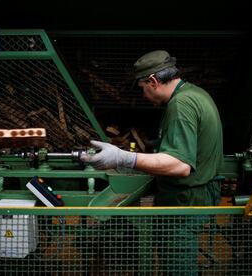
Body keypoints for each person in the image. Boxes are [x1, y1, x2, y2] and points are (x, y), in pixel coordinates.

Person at [81, 50, 223, 274]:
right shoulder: (195, 93)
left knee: (178, 267)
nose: (144, 96)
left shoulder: (181, 105)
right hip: (193, 196)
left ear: (153, 81)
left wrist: (122, 157)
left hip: (184, 203)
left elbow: (180, 164)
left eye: (142, 88)